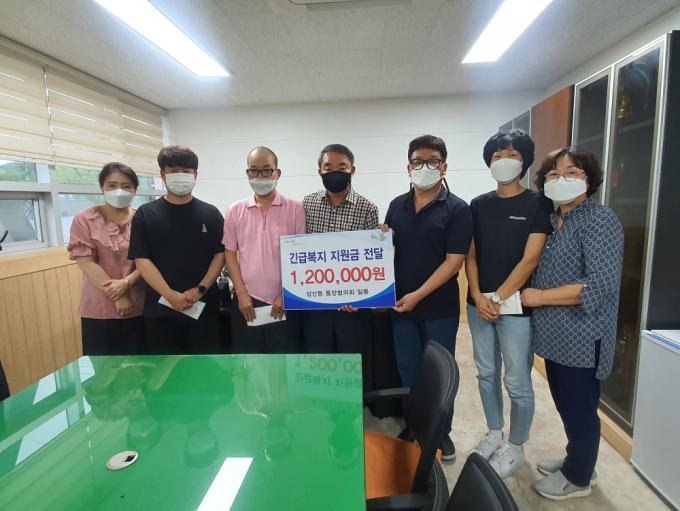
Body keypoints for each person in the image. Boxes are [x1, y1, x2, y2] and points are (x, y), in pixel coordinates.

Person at [522, 148, 623, 500]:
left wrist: (540, 296)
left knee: (580, 408)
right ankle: (578, 460)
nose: (561, 179)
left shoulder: (599, 219)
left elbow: (600, 283)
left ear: (588, 179)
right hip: (555, 336)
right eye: (553, 174)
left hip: (582, 335)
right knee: (567, 404)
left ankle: (578, 478)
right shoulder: (553, 221)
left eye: (572, 172)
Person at [465, 129, 553, 477]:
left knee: (517, 380)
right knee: (486, 372)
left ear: (525, 161)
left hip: (515, 307)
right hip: (479, 305)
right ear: (489, 162)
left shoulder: (538, 203)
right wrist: (476, 295)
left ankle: (515, 446)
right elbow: (470, 255)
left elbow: (530, 259)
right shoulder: (478, 204)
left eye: (512, 155)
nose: (504, 161)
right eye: (498, 155)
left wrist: (499, 297)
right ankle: (494, 432)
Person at [382, 135, 472, 461]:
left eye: (432, 161)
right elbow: (385, 250)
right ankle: (415, 426)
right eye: (417, 162)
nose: (424, 167)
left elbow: (454, 262)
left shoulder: (458, 209)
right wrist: (379, 240)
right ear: (408, 167)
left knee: (439, 373)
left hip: (438, 308)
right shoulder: (396, 206)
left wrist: (418, 295)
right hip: (400, 306)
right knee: (408, 369)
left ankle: (440, 433)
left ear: (443, 167)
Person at [128, 146, 225, 355]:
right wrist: (170, 295)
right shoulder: (145, 214)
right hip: (161, 309)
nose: (180, 176)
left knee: (206, 369)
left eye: (186, 171)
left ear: (195, 174)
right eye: (173, 171)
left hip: (203, 307)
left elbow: (220, 255)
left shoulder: (211, 213)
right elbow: (142, 260)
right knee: (165, 371)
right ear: (163, 174)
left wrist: (200, 290)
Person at [223, 146, 306, 353]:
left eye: (267, 170)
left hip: (284, 302)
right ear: (247, 173)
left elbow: (301, 256)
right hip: (247, 301)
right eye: (254, 170)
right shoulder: (235, 210)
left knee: (284, 362)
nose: (260, 176)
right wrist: (241, 293)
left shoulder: (295, 209)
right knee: (250, 363)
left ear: (278, 173)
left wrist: (286, 294)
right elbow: (230, 253)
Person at [302, 144, 379, 355]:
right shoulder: (307, 205)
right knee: (318, 362)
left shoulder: (367, 208)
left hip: (352, 307)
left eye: (342, 167)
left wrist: (360, 297)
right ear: (320, 171)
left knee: (351, 363)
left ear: (352, 170)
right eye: (328, 168)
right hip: (316, 304)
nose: (335, 172)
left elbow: (372, 260)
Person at [67, 162, 145, 355]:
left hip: (140, 305)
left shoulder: (143, 219)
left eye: (126, 186)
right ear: (102, 187)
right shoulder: (84, 219)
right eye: (112, 185)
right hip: (99, 307)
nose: (119, 191)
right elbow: (86, 262)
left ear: (135, 190)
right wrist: (119, 295)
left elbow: (149, 261)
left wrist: (126, 283)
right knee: (103, 368)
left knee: (142, 366)